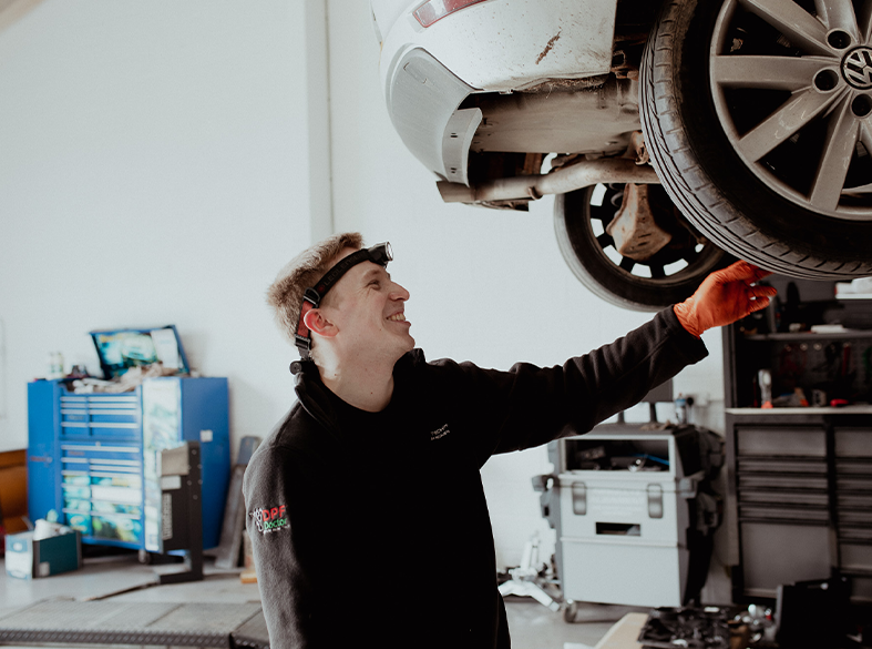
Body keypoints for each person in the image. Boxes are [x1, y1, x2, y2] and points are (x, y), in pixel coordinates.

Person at [243, 232, 776, 649]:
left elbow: (571, 391)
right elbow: (303, 633)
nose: (400, 292)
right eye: (374, 283)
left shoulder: (441, 396)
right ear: (320, 321)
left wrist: (688, 321)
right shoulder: (289, 463)